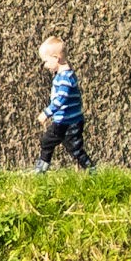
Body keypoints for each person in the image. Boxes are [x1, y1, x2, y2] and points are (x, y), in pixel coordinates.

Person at [33, 34, 87, 168]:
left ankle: (92, 170)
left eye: (45, 61)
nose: (45, 66)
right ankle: (42, 167)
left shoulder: (65, 79)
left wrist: (46, 113)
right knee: (47, 141)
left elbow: (60, 100)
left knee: (75, 148)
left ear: (56, 58)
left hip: (69, 122)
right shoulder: (63, 76)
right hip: (63, 121)